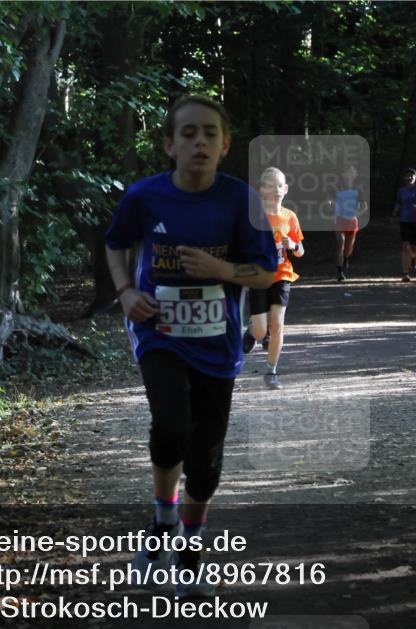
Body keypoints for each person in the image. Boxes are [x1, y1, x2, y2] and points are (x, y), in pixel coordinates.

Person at [105, 95, 278, 598]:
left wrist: (222, 270)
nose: (198, 141)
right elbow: (115, 243)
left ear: (225, 146)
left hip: (217, 341)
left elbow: (268, 270)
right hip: (158, 333)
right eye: (187, 133)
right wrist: (125, 292)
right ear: (169, 144)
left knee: (206, 458)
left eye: (209, 133)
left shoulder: (241, 201)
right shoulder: (144, 196)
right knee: (172, 425)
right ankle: (162, 525)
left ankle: (190, 545)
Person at [242, 167, 305, 389]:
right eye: (270, 185)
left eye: (280, 185)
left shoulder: (290, 216)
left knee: (277, 324)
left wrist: (293, 245)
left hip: (282, 274)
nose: (276, 189)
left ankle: (272, 371)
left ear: (286, 189)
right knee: (261, 329)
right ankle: (252, 332)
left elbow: (300, 251)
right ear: (261, 190)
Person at [330, 165, 368, 281]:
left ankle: (346, 258)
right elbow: (330, 199)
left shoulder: (358, 190)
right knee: (340, 244)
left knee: (348, 247)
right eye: (347, 172)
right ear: (343, 175)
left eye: (351, 172)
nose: (349, 175)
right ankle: (339, 271)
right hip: (339, 219)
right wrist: (329, 203)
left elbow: (364, 206)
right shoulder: (337, 188)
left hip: (352, 221)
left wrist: (357, 213)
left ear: (355, 175)